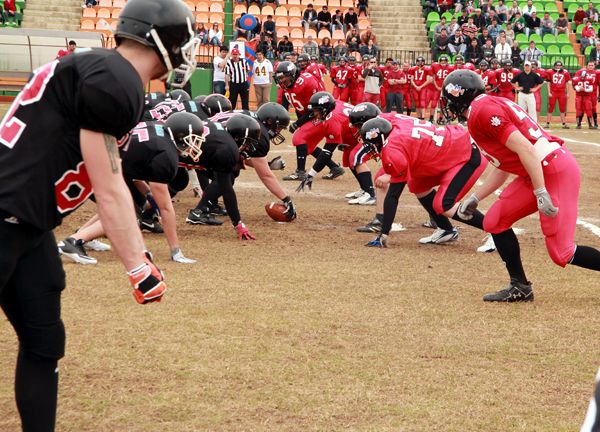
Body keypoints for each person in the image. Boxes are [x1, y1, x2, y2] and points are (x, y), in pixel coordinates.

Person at [0, 0, 197, 429]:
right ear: (166, 40)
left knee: (44, 341)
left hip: (28, 225)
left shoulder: (105, 71)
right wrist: (137, 265)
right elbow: (108, 186)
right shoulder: (116, 79)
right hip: (6, 218)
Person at [443, 69, 600, 302]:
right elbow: (505, 163)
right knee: (494, 221)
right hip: (537, 170)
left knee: (561, 252)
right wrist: (476, 197)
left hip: (553, 170)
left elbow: (526, 148)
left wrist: (540, 190)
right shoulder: (485, 107)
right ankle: (520, 286)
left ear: (459, 96)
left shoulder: (481, 112)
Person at [361, 113, 487, 248]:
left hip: (467, 155)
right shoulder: (396, 123)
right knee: (418, 185)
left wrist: (383, 234)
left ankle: (495, 230)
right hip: (452, 145)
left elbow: (393, 195)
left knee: (444, 204)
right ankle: (446, 230)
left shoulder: (392, 149)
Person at [275, 61, 342, 181]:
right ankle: (334, 167)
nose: (282, 80)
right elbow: (298, 106)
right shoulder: (288, 85)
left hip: (323, 115)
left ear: (292, 74)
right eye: (280, 78)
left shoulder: (306, 82)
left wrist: (298, 123)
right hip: (312, 114)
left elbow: (316, 109)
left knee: (299, 138)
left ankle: (300, 172)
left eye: (283, 77)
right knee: (308, 145)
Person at [545, 60, 571, 129]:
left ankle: (564, 123)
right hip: (553, 92)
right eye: (557, 65)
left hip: (562, 92)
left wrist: (567, 92)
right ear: (554, 66)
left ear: (561, 66)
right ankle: (547, 123)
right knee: (550, 108)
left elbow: (567, 83)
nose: (558, 67)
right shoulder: (550, 72)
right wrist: (549, 92)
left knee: (562, 108)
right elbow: (548, 83)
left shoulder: (565, 72)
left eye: (559, 65)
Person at [573, 61, 599, 129]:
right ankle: (579, 124)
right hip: (582, 94)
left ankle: (595, 123)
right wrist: (577, 88)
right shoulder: (580, 72)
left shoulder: (597, 73)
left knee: (592, 108)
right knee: (580, 109)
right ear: (586, 66)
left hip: (593, 93)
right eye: (589, 65)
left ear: (594, 66)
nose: (590, 66)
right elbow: (575, 83)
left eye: (592, 65)